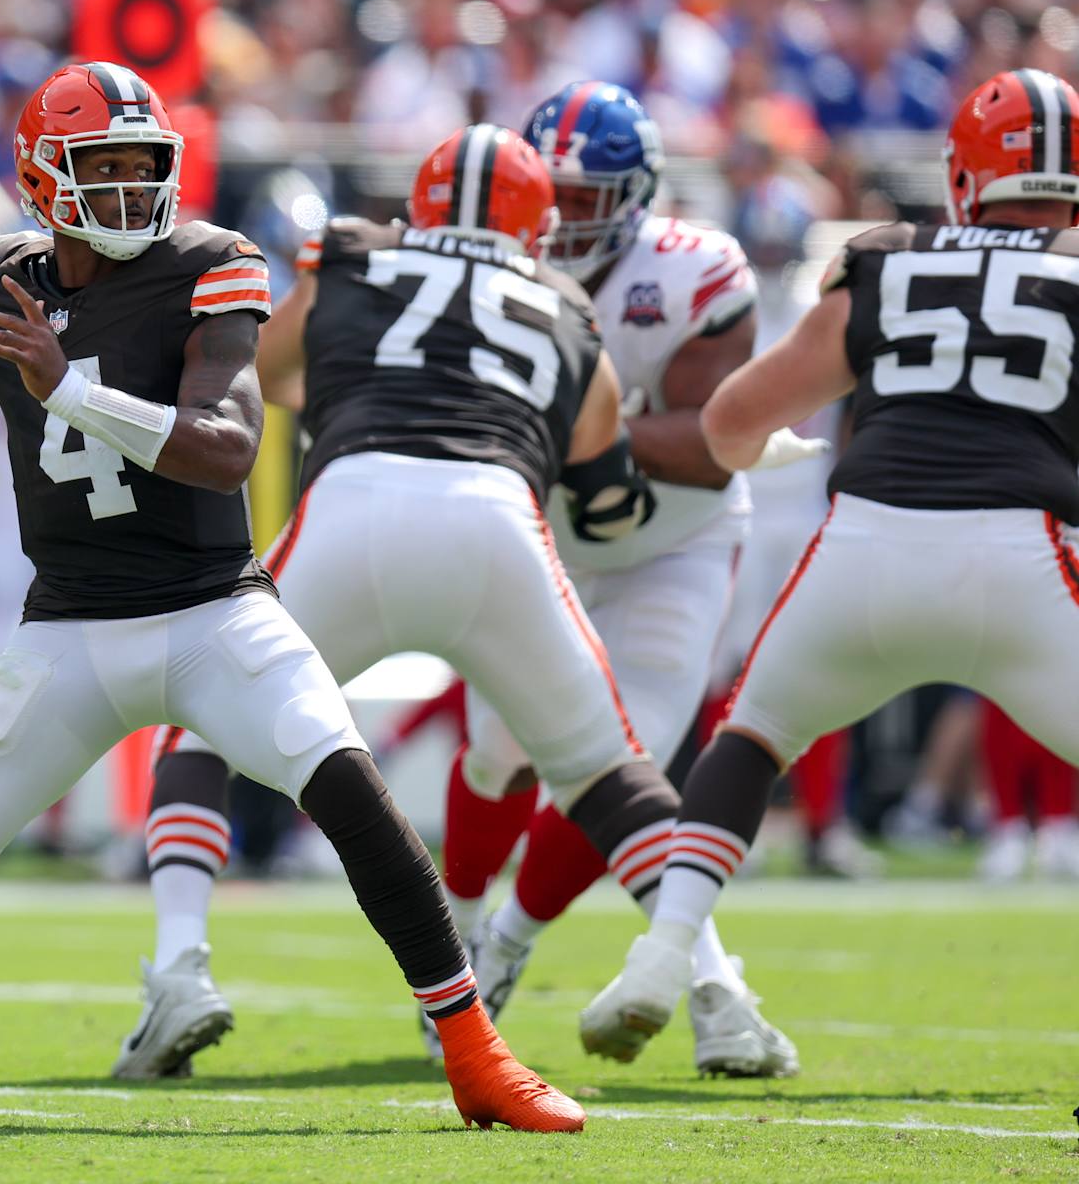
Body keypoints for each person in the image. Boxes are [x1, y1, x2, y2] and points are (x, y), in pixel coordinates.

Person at [0, 63, 583, 1133]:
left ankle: (480, 1060)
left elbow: (227, 448)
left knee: (347, 786)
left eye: (140, 166)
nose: (124, 187)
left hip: (211, 610)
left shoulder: (210, 266)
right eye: (98, 167)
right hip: (68, 627)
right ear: (40, 176)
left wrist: (69, 388)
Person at [119, 119, 690, 1082]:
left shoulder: (352, 256)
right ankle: (706, 981)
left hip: (357, 508)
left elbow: (277, 370)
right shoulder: (562, 304)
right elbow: (605, 488)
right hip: (498, 523)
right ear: (534, 221)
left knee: (201, 731)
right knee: (606, 771)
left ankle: (180, 963)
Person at [581, 68, 1079, 1060]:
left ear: (967, 174)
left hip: (869, 543)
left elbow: (728, 422)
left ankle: (661, 954)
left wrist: (759, 446)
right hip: (1025, 554)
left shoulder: (886, 262)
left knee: (751, 737)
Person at [434, 83, 804, 1076]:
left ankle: (506, 947)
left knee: (618, 761)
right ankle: (465, 931)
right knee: (494, 752)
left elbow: (710, 442)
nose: (561, 217)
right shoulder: (480, 254)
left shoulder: (692, 273)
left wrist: (566, 431)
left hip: (668, 545)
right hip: (537, 539)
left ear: (636, 197)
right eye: (546, 191)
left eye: (585, 195)